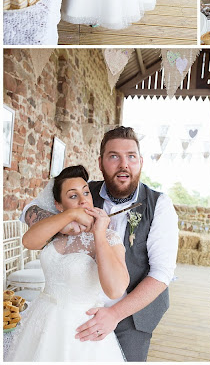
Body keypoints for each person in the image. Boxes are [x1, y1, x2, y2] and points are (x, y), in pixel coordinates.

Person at [22, 126, 179, 362]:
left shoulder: (160, 205)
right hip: (74, 312)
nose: (123, 164)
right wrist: (65, 221)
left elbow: (162, 273)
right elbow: (27, 210)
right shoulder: (82, 191)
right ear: (101, 162)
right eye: (114, 156)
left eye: (131, 156)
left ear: (141, 162)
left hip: (130, 316)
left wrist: (114, 314)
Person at [7, 165, 128, 362]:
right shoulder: (58, 229)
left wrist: (99, 234)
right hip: (42, 319)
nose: (83, 200)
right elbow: (29, 241)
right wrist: (70, 216)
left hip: (79, 329)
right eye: (73, 196)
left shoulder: (108, 237)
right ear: (58, 205)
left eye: (86, 193)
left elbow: (115, 290)